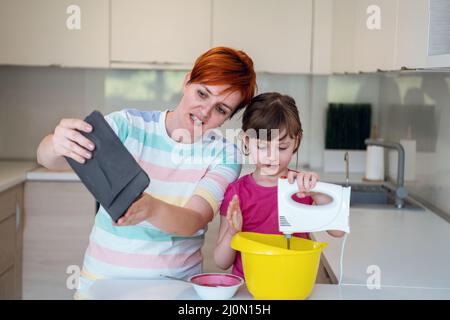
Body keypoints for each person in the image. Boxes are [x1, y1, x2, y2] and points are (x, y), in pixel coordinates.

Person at [36, 47, 257, 299]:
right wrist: (56, 143)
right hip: (100, 285)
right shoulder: (129, 125)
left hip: (175, 291)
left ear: (228, 117)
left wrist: (152, 209)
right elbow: (47, 159)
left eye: (221, 109)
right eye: (202, 93)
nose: (205, 111)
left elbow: (193, 220)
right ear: (187, 82)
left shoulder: (224, 154)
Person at [214, 92, 345, 278]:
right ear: (246, 141)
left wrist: (316, 193)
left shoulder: (302, 186)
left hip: (293, 286)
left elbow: (338, 231)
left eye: (282, 147)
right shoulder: (236, 193)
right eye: (261, 146)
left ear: (296, 141)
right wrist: (232, 233)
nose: (272, 156)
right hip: (250, 287)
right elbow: (221, 262)